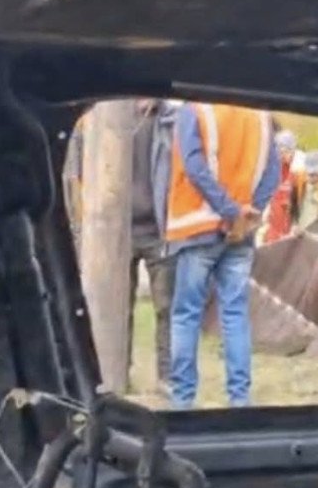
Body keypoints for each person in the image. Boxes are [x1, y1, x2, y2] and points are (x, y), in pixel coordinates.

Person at [166, 102, 279, 408]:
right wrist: (247, 213)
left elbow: (194, 167)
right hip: (241, 234)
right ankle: (240, 399)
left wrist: (229, 211)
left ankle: (182, 401)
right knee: (235, 314)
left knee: (187, 315)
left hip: (197, 227)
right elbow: (273, 170)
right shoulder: (260, 114)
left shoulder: (195, 110)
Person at [128, 99, 177, 395]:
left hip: (159, 230)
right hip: (116, 232)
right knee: (118, 308)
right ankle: (116, 372)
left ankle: (166, 376)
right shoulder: (108, 120)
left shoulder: (171, 121)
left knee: (165, 307)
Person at [264, 128, 299, 242]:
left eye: (284, 151)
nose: (282, 156)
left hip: (289, 227)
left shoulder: (298, 170)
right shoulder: (273, 169)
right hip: (273, 227)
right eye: (279, 152)